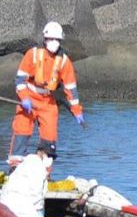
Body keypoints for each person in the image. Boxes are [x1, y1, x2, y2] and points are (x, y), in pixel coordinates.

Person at [12, 21, 86, 157]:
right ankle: (15, 165)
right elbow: (20, 80)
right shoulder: (32, 55)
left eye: (57, 40)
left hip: (47, 101)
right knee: (22, 132)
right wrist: (25, 98)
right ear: (45, 39)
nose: (54, 42)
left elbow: (71, 89)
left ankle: (45, 167)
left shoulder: (64, 62)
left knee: (49, 140)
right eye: (51, 39)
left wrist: (77, 111)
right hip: (29, 97)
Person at [0, 141, 55, 217]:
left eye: (53, 157)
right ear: (40, 152)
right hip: (23, 209)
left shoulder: (28, 161)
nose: (51, 159)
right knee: (40, 214)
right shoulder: (38, 167)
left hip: (8, 203)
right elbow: (36, 196)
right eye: (48, 155)